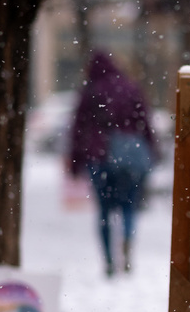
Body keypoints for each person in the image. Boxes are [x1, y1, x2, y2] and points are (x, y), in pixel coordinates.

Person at [67, 51, 157, 276]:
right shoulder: (130, 87)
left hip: (99, 158)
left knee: (104, 211)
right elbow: (145, 121)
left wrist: (75, 161)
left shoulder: (90, 90)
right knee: (128, 206)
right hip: (129, 157)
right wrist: (152, 149)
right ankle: (127, 240)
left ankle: (108, 260)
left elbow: (78, 128)